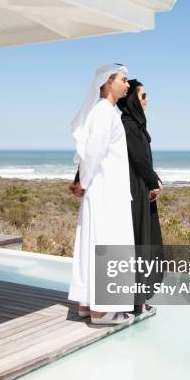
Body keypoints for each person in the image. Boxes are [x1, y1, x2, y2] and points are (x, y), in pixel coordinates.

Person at [67, 63, 135, 326]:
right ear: (108, 82)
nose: (127, 85)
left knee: (94, 243)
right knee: (108, 245)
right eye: (123, 79)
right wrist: (83, 182)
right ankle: (103, 310)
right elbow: (92, 152)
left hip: (104, 189)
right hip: (107, 192)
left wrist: (83, 181)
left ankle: (87, 303)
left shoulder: (103, 112)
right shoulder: (104, 112)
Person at [116, 79, 164, 314]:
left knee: (144, 242)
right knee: (139, 243)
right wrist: (153, 180)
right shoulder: (128, 125)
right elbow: (138, 160)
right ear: (133, 99)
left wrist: (153, 181)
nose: (147, 100)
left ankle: (139, 300)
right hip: (135, 192)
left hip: (140, 190)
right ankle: (137, 302)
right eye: (143, 96)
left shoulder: (134, 124)